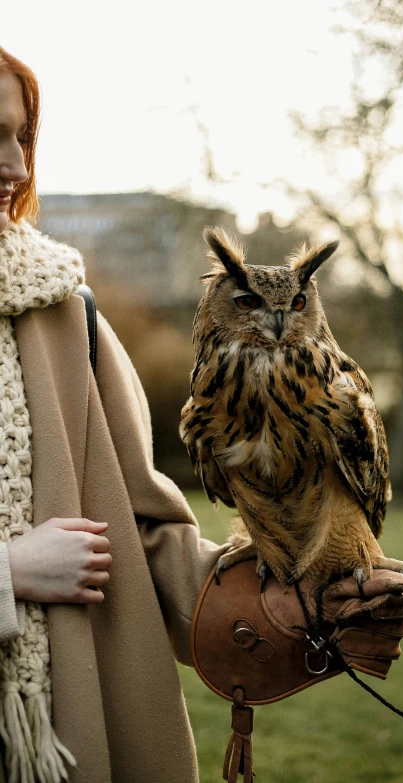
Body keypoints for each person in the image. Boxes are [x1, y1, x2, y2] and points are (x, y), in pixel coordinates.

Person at [0, 46, 231, 783]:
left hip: (58, 734)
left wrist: (304, 592)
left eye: (22, 138)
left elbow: (142, 530)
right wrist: (8, 573)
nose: (15, 167)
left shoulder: (67, 313)